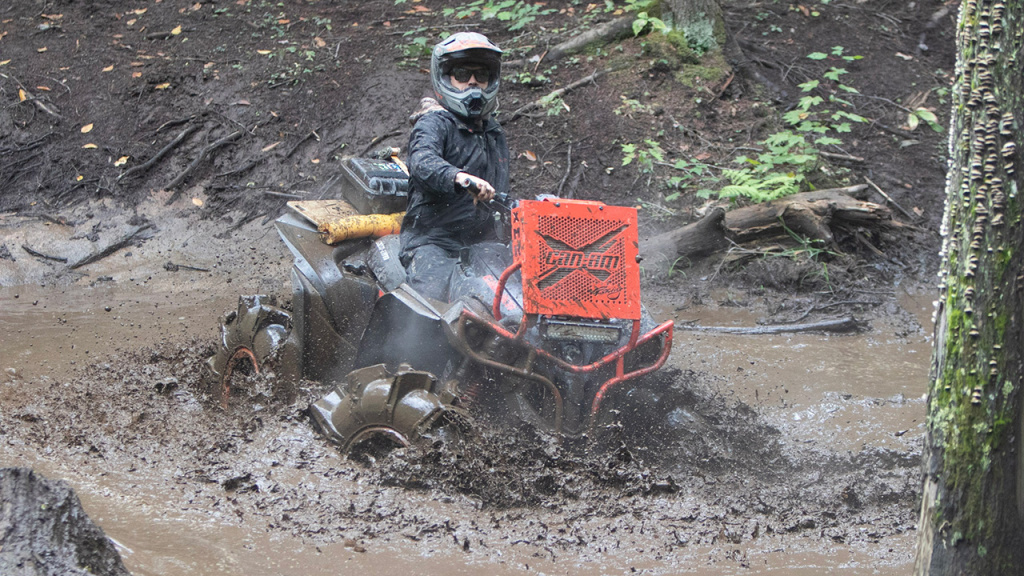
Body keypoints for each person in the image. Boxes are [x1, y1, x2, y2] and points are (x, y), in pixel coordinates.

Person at [399, 32, 510, 302]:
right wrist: (459, 178)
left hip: (481, 242)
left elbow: (500, 192)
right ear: (446, 78)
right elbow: (422, 162)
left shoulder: (493, 133)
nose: (473, 82)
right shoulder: (434, 123)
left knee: (513, 298)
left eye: (481, 75)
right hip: (433, 239)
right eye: (462, 74)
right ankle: (403, 345)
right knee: (431, 298)